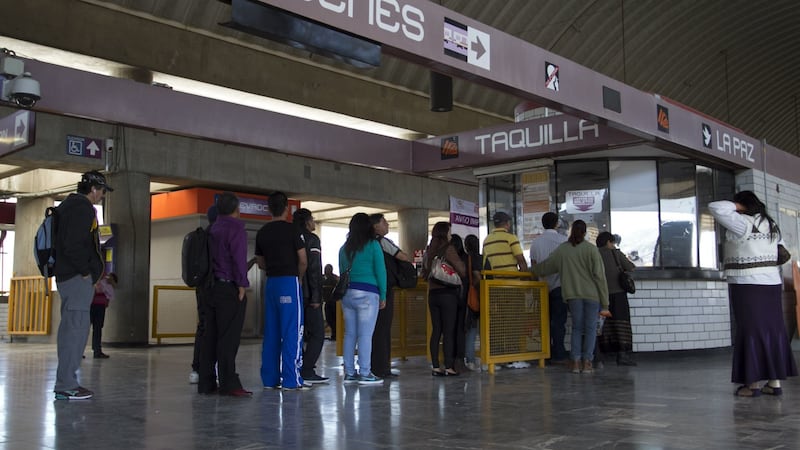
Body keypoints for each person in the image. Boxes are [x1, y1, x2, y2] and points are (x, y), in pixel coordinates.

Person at [709, 191, 798, 397]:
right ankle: (774, 382)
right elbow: (782, 251)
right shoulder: (771, 224)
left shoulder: (743, 223)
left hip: (747, 284)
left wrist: (739, 207)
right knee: (772, 331)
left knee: (750, 331)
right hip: (771, 284)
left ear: (742, 204)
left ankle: (753, 385)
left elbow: (715, 207)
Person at [53, 170, 111, 400]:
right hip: (76, 278)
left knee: (71, 330)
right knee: (75, 332)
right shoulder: (81, 208)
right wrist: (86, 272)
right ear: (94, 189)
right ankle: (66, 385)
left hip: (69, 277)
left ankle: (66, 383)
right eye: (102, 191)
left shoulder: (68, 205)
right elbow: (73, 245)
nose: (102, 196)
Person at [532, 220, 610, 375]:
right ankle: (587, 362)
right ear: (585, 232)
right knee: (590, 329)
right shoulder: (591, 250)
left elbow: (547, 267)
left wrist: (531, 270)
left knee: (577, 328)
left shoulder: (564, 249)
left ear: (571, 231)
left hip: (573, 296)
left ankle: (575, 362)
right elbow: (600, 277)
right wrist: (605, 303)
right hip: (592, 295)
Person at [198, 192, 252, 397]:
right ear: (237, 209)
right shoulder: (236, 228)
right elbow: (238, 259)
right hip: (228, 289)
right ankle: (229, 383)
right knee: (228, 338)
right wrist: (242, 285)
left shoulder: (211, 228)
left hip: (209, 289)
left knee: (209, 337)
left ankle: (206, 382)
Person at [255, 191, 309, 391]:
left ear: (269, 209)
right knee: (292, 331)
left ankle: (269, 379)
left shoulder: (262, 232)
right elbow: (303, 260)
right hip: (289, 282)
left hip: (271, 283)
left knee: (271, 332)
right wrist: (299, 278)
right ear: (287, 208)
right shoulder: (293, 230)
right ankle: (291, 379)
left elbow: (260, 263)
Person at [340, 212, 387, 385]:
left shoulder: (344, 248)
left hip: (348, 294)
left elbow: (342, 272)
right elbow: (380, 271)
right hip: (367, 294)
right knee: (365, 335)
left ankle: (349, 373)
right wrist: (383, 295)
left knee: (349, 334)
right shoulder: (373, 245)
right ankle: (365, 372)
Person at [482, 211, 529, 369]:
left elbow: (486, 264)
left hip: (494, 287)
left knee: (497, 321)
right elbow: (521, 261)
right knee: (513, 321)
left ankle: (496, 357)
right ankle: (513, 357)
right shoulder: (511, 238)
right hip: (512, 285)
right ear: (507, 223)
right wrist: (526, 281)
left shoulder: (487, 240)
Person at [368, 213, 411, 378]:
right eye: (384, 222)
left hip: (370, 288)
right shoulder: (382, 242)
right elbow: (403, 256)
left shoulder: (365, 243)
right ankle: (382, 368)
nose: (387, 224)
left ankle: (375, 366)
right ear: (375, 226)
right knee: (383, 328)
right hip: (384, 288)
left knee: (374, 329)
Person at [424, 222, 466, 376]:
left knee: (436, 330)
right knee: (448, 330)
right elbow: (462, 270)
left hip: (432, 294)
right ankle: (448, 366)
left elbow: (425, 271)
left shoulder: (429, 250)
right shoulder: (448, 248)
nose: (450, 235)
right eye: (449, 231)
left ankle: (435, 366)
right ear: (444, 233)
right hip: (448, 294)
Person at [294, 208, 329, 384]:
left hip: (292, 291)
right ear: (308, 222)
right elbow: (313, 268)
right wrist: (316, 296)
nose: (314, 222)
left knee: (296, 333)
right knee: (317, 333)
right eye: (313, 219)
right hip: (308, 294)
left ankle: (296, 367)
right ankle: (307, 369)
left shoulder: (292, 237)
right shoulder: (312, 239)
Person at [529, 212, 569, 365]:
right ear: (557, 223)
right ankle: (559, 353)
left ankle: (545, 353)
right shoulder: (563, 241)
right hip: (560, 286)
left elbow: (534, 266)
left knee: (543, 322)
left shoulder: (536, 243)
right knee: (559, 322)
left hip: (541, 287)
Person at [595, 232, 637, 366]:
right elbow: (631, 267)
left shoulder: (594, 254)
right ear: (608, 242)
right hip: (618, 295)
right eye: (612, 242)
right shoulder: (616, 253)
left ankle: (601, 355)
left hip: (600, 295)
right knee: (621, 324)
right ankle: (622, 355)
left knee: (603, 325)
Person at [189, 205, 217, 385]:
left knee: (203, 327)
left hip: (201, 287)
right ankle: (210, 369)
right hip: (214, 287)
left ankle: (196, 369)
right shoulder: (217, 236)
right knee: (215, 328)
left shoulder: (202, 235)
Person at [449, 233, 469, 373]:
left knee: (449, 329)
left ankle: (448, 361)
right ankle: (459, 360)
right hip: (463, 296)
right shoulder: (465, 258)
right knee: (461, 329)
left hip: (449, 296)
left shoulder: (446, 257)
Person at [463, 234, 482, 372]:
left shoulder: (465, 259)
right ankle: (488, 358)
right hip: (484, 295)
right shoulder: (482, 258)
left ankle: (470, 359)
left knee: (471, 328)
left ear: (466, 246)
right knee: (487, 328)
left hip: (468, 297)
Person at [90, 272, 117, 359]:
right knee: (93, 329)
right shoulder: (92, 278)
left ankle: (97, 350)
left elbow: (110, 294)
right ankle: (95, 350)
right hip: (93, 305)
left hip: (97, 306)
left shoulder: (106, 282)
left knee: (97, 328)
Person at [322, 264, 339, 340]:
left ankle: (335, 335)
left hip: (334, 302)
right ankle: (334, 334)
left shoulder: (335, 278)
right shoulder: (323, 278)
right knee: (329, 319)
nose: (326, 270)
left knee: (333, 319)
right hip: (327, 302)